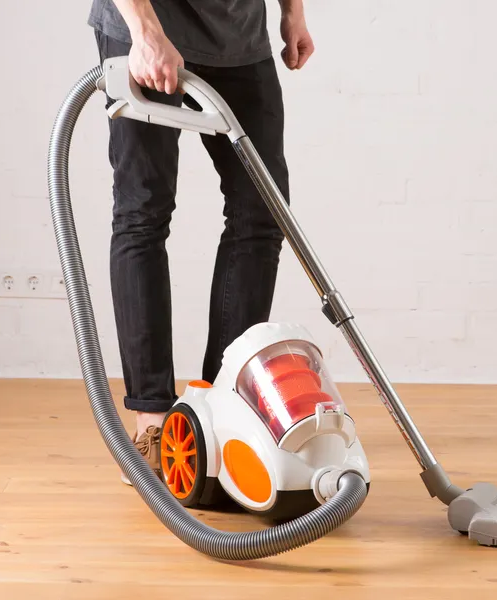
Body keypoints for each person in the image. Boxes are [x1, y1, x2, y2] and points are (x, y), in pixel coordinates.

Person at [87, 0, 314, 484]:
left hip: (238, 36)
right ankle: (152, 419)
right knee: (143, 211)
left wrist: (292, 12)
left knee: (261, 213)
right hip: (146, 28)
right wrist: (145, 32)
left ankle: (218, 403)